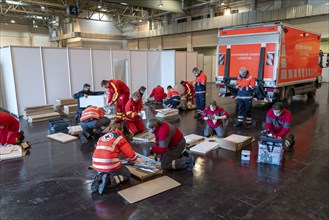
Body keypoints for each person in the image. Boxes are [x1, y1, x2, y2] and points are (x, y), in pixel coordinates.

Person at [90, 124, 137, 194]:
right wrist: (133, 160)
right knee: (126, 174)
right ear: (120, 130)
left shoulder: (101, 138)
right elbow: (129, 154)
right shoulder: (119, 138)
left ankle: (99, 177)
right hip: (109, 164)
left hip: (95, 164)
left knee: (106, 170)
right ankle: (110, 180)